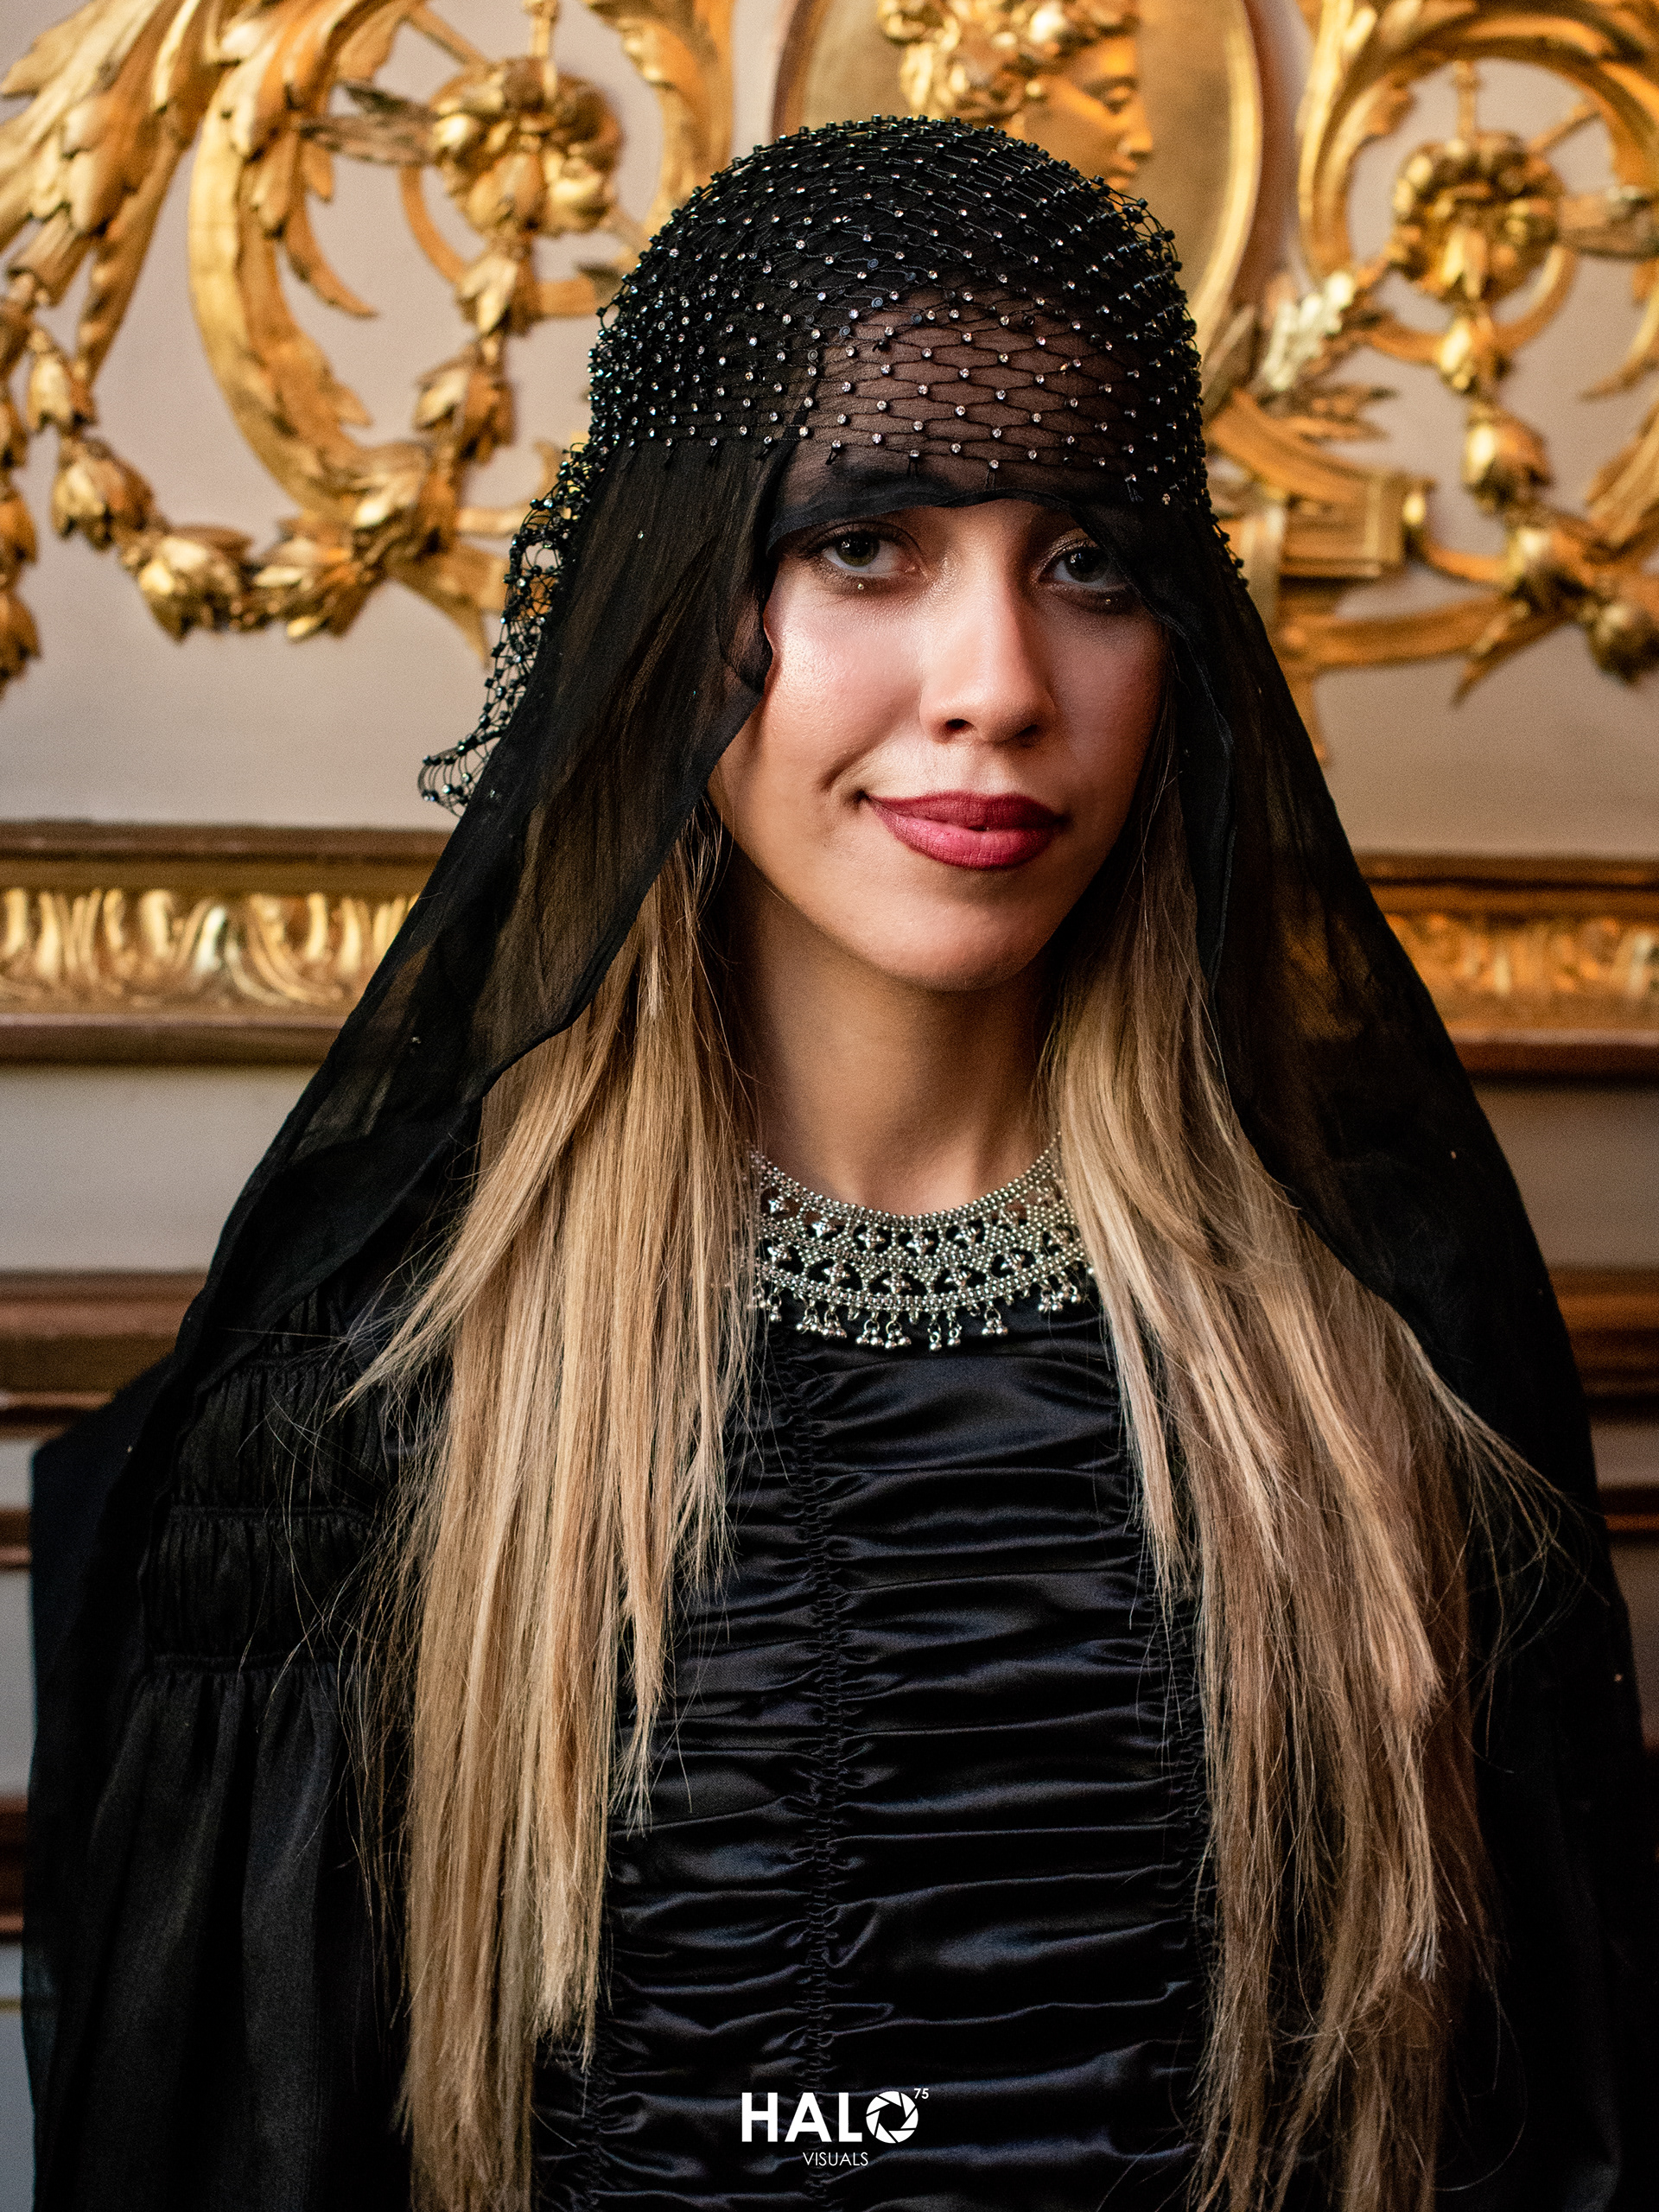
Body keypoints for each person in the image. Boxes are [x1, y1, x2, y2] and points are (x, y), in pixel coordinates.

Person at [24, 117, 1656, 2212]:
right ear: (678, 606)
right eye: (865, 543)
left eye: (1092, 563)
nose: (999, 687)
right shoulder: (371, 1406)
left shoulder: (1379, 1350)